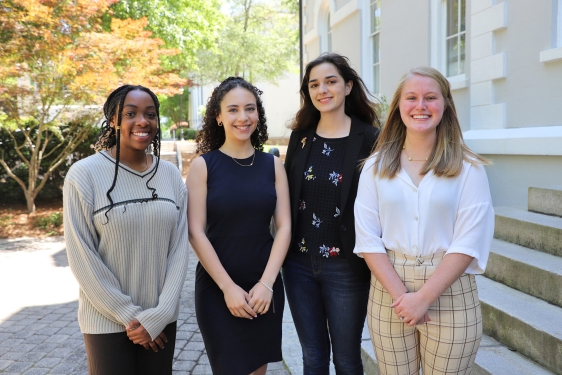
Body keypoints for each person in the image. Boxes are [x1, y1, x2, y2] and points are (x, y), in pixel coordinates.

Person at [354, 66, 494, 375]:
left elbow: (468, 241)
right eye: (412, 97)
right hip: (389, 290)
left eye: (430, 97)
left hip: (450, 289)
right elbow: (367, 238)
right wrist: (404, 298)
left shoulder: (469, 168)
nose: (421, 106)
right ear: (398, 106)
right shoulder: (374, 167)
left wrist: (424, 298)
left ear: (445, 105)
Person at [63, 85, 189, 375]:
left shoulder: (170, 175)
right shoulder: (84, 175)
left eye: (150, 114)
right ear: (113, 120)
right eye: (130, 113)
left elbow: (179, 251)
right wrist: (132, 318)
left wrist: (158, 316)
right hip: (106, 322)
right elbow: (82, 258)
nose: (142, 121)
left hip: (160, 323)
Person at [283, 53, 380, 374]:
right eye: (314, 84)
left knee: (347, 358)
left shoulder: (371, 138)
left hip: (346, 266)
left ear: (348, 86)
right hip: (298, 264)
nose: (322, 89)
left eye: (330, 81)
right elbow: (286, 199)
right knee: (312, 357)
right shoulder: (301, 137)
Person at [186, 77, 291, 375]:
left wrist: (267, 283)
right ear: (218, 117)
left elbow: (283, 228)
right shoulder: (203, 166)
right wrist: (228, 288)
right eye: (232, 110)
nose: (242, 117)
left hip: (264, 288)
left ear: (258, 114)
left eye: (250, 109)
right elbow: (196, 232)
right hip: (218, 289)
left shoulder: (272, 166)